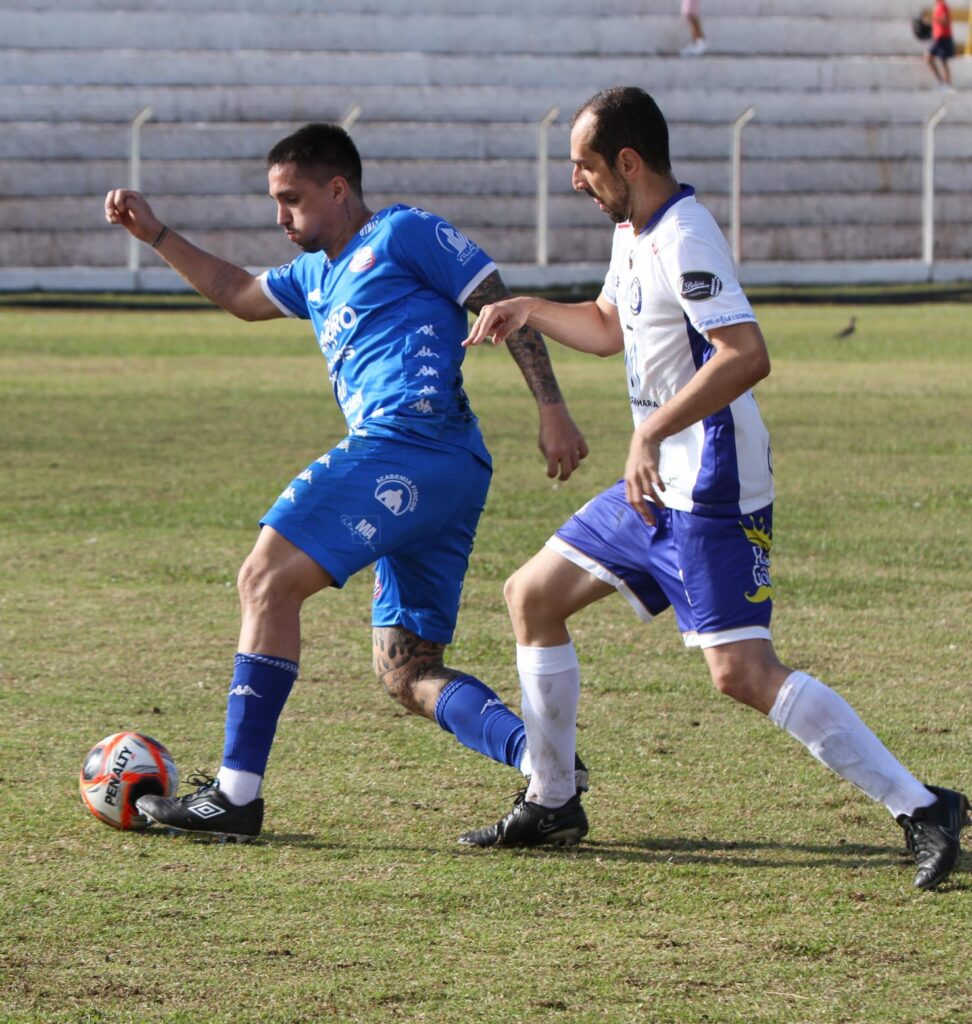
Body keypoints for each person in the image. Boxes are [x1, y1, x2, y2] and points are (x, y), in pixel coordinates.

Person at [459, 86, 969, 890]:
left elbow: (745, 354)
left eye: (584, 167)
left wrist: (650, 429)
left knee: (741, 674)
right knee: (533, 596)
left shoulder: (686, 236)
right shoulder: (633, 231)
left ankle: (923, 807)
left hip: (712, 484)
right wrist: (528, 309)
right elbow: (606, 324)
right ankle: (553, 800)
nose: (575, 183)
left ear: (627, 162)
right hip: (656, 477)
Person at [104, 122, 590, 841]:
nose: (280, 216)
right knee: (407, 668)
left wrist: (551, 406)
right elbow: (238, 291)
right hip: (444, 470)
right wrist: (157, 235)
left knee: (265, 579)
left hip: (408, 443)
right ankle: (548, 768)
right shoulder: (314, 275)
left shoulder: (402, 232)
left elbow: (495, 298)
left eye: (291, 199)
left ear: (338, 188)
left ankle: (235, 797)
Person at [925, 0, 955, 90]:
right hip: (938, 37)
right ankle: (941, 82)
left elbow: (945, 20)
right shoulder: (938, 6)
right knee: (929, 58)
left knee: (943, 60)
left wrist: (933, 19)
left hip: (943, 36)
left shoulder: (942, 6)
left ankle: (947, 83)